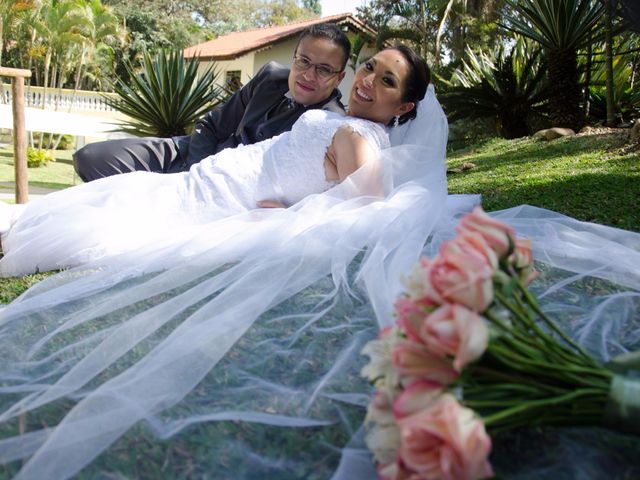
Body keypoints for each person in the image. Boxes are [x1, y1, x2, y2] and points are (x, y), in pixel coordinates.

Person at [0, 46, 428, 277]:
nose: (368, 81)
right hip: (211, 175)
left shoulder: (356, 136)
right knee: (119, 192)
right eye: (370, 67)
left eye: (386, 80)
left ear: (404, 107)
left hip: (227, 200)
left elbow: (368, 212)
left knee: (107, 222)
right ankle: (16, 223)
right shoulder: (344, 121)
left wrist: (290, 214)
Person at [73, 23, 351, 182]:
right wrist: (193, 171)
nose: (308, 75)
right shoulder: (270, 76)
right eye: (303, 61)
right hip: (191, 154)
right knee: (90, 159)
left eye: (324, 69)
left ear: (338, 79)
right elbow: (210, 125)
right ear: (294, 58)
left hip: (230, 190)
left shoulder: (330, 123)